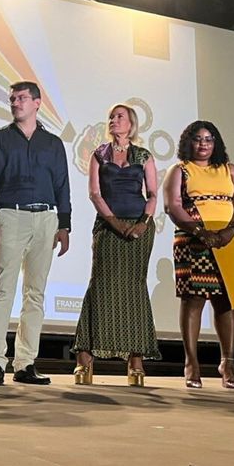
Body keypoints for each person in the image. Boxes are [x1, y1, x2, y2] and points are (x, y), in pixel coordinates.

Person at [0, 81, 71, 386]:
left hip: (46, 218)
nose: (15, 103)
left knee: (36, 293)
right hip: (9, 215)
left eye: (20, 98)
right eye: (12, 99)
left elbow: (62, 186)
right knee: (3, 288)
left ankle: (26, 362)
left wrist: (65, 224)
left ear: (36, 103)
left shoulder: (53, 144)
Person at [71, 104, 162, 387]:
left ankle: (136, 362)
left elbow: (153, 193)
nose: (114, 120)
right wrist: (115, 222)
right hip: (109, 228)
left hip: (139, 228)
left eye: (119, 116)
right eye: (111, 116)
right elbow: (95, 194)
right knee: (100, 286)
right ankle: (84, 360)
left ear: (131, 124)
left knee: (134, 288)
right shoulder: (100, 154)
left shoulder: (144, 156)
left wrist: (144, 222)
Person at [162, 120, 234, 389]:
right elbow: (172, 205)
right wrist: (200, 232)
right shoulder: (179, 170)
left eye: (209, 139)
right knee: (194, 300)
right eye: (198, 139)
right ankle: (192, 363)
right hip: (193, 239)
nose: (203, 144)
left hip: (228, 240)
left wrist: (230, 231)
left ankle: (228, 362)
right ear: (188, 142)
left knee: (226, 301)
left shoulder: (230, 170)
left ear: (217, 143)